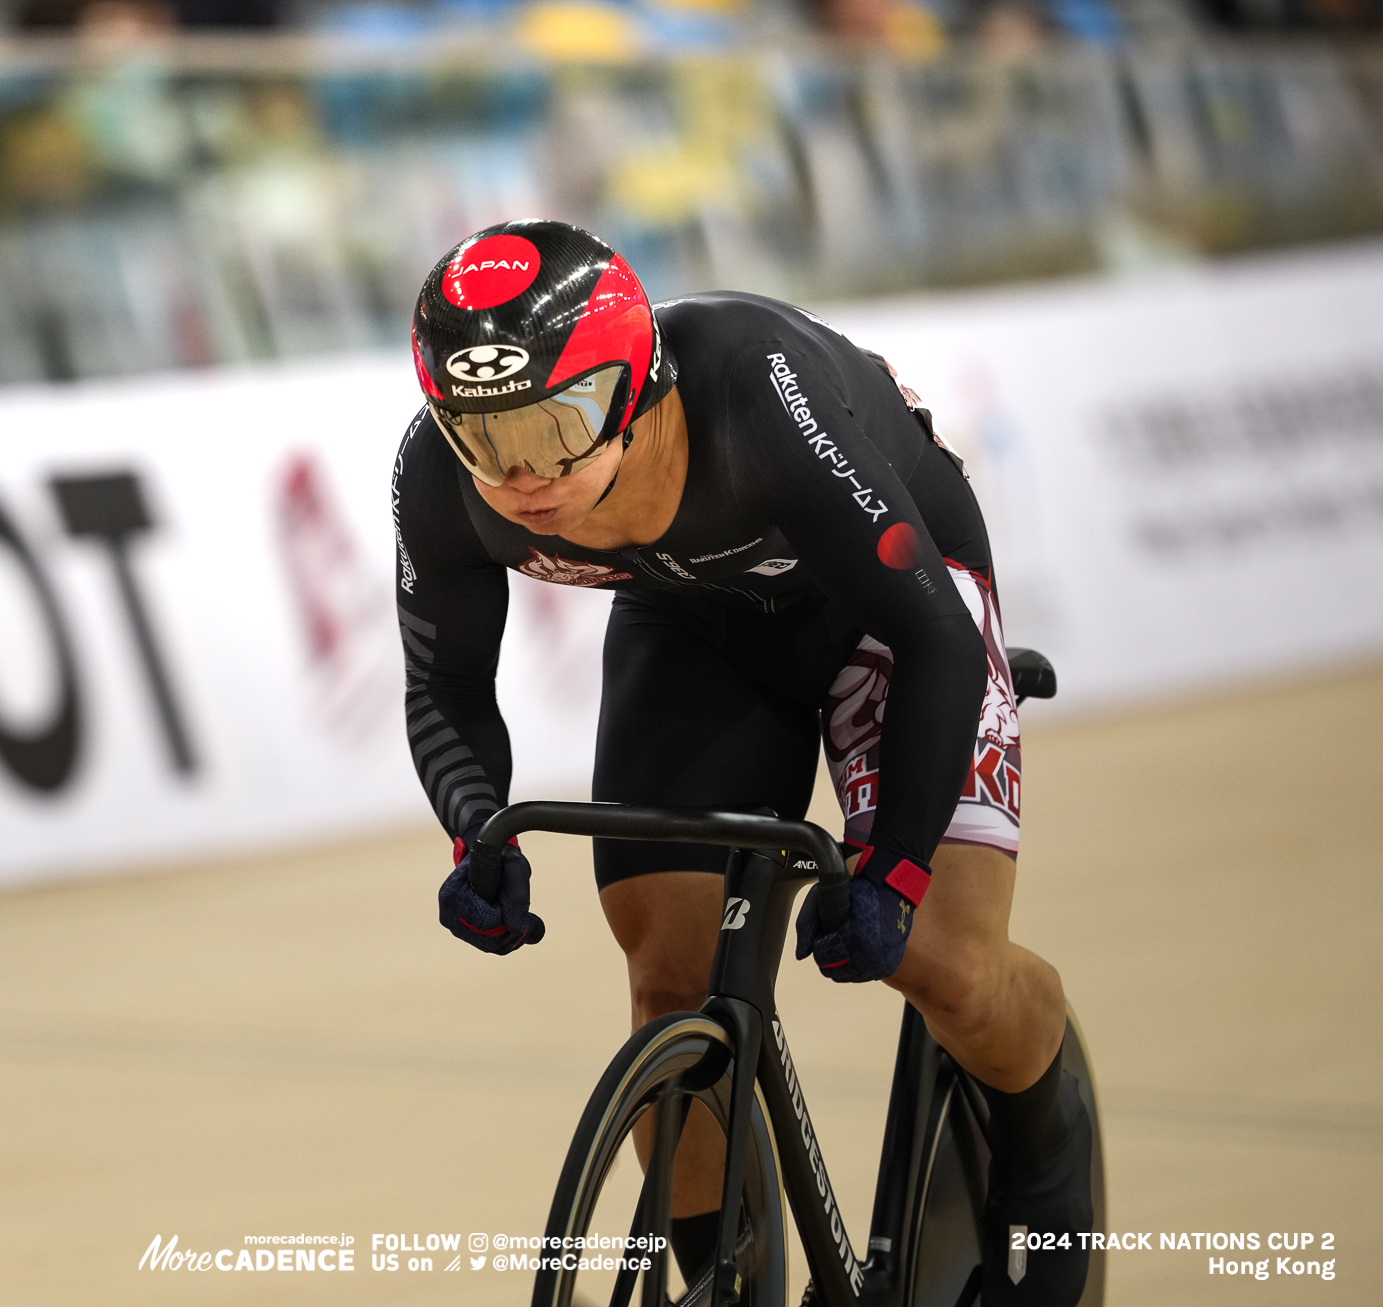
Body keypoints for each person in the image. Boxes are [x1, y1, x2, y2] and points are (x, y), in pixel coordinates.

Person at [393, 219, 1091, 1306]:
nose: (521, 474)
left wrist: (896, 865)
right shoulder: (439, 480)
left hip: (891, 611)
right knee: (673, 986)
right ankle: (727, 1274)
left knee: (943, 960)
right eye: (482, 435)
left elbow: (934, 639)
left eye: (556, 424)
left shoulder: (761, 399)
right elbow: (444, 684)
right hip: (696, 622)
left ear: (635, 385)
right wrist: (475, 828)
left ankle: (1045, 1165)